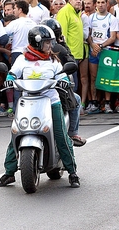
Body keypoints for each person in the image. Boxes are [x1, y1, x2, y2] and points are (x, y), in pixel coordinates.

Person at [0, 25, 80, 188]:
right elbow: (12, 74)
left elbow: (62, 75)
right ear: (37, 43)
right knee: (16, 133)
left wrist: (64, 81)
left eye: (51, 42)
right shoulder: (22, 59)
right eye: (47, 43)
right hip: (28, 101)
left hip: (51, 102)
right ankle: (9, 172)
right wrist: (9, 79)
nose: (50, 46)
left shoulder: (53, 60)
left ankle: (72, 172)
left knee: (61, 136)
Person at [40, 18, 87, 147]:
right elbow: (71, 62)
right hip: (51, 92)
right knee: (76, 99)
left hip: (34, 91)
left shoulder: (29, 52)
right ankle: (72, 134)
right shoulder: (59, 48)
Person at [88, 0, 119, 114]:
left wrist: (101, 46)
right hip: (93, 51)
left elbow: (112, 37)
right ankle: (94, 102)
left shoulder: (111, 18)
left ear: (107, 4)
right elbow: (88, 35)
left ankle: (107, 103)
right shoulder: (91, 18)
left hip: (106, 51)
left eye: (103, 2)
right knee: (93, 77)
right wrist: (93, 45)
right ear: (95, 4)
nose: (100, 5)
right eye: (99, 2)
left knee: (106, 78)